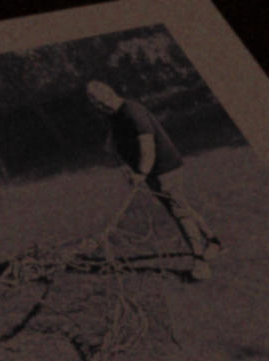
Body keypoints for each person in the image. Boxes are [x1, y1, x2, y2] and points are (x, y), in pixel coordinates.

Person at [86, 80, 222, 281]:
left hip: (164, 168)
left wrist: (141, 172)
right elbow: (115, 139)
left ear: (109, 94)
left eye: (101, 102)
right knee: (180, 206)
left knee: (180, 213)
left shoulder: (132, 111)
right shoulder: (114, 115)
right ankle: (213, 242)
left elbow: (147, 146)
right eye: (96, 104)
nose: (100, 107)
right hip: (151, 172)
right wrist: (116, 149)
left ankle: (200, 261)